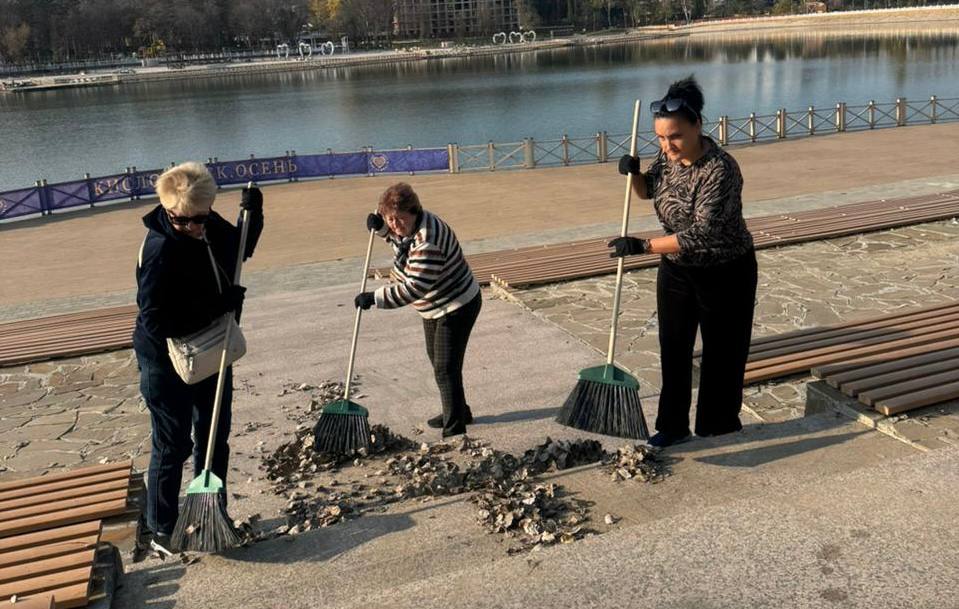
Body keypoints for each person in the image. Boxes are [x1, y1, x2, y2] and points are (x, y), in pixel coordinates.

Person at [610, 76, 757, 448]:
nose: (667, 145)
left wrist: (643, 247)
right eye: (660, 138)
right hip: (677, 268)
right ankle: (673, 426)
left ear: (697, 126)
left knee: (722, 353)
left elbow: (700, 234)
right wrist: (633, 175)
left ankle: (718, 424)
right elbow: (648, 192)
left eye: (674, 136)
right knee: (673, 347)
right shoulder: (667, 158)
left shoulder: (720, 170)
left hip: (725, 270)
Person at [133, 162, 264, 552]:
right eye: (184, 221)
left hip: (212, 350)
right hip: (165, 359)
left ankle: (211, 510)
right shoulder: (159, 251)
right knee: (172, 444)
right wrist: (215, 307)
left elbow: (240, 248)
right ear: (169, 210)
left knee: (213, 437)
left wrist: (254, 215)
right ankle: (161, 527)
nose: (195, 227)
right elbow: (155, 320)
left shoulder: (206, 223)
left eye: (201, 218)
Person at [354, 183, 481, 438]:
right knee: (439, 362)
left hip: (456, 305)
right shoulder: (409, 228)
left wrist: (375, 297)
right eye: (390, 218)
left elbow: (415, 288)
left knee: (445, 368)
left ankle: (455, 429)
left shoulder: (428, 241)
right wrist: (381, 229)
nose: (395, 224)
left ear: (415, 212)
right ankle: (457, 410)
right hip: (434, 306)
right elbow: (399, 240)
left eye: (400, 218)